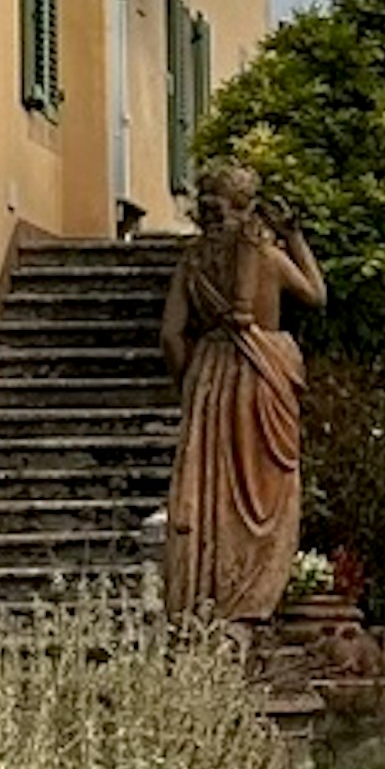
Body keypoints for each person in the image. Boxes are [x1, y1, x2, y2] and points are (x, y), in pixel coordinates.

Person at [160, 155, 327, 626]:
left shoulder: (192, 262)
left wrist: (190, 384)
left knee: (210, 489)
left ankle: (206, 597)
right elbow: (317, 296)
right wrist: (295, 238)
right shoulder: (268, 257)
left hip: (212, 375)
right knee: (266, 488)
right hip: (264, 373)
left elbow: (171, 336)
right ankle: (251, 597)